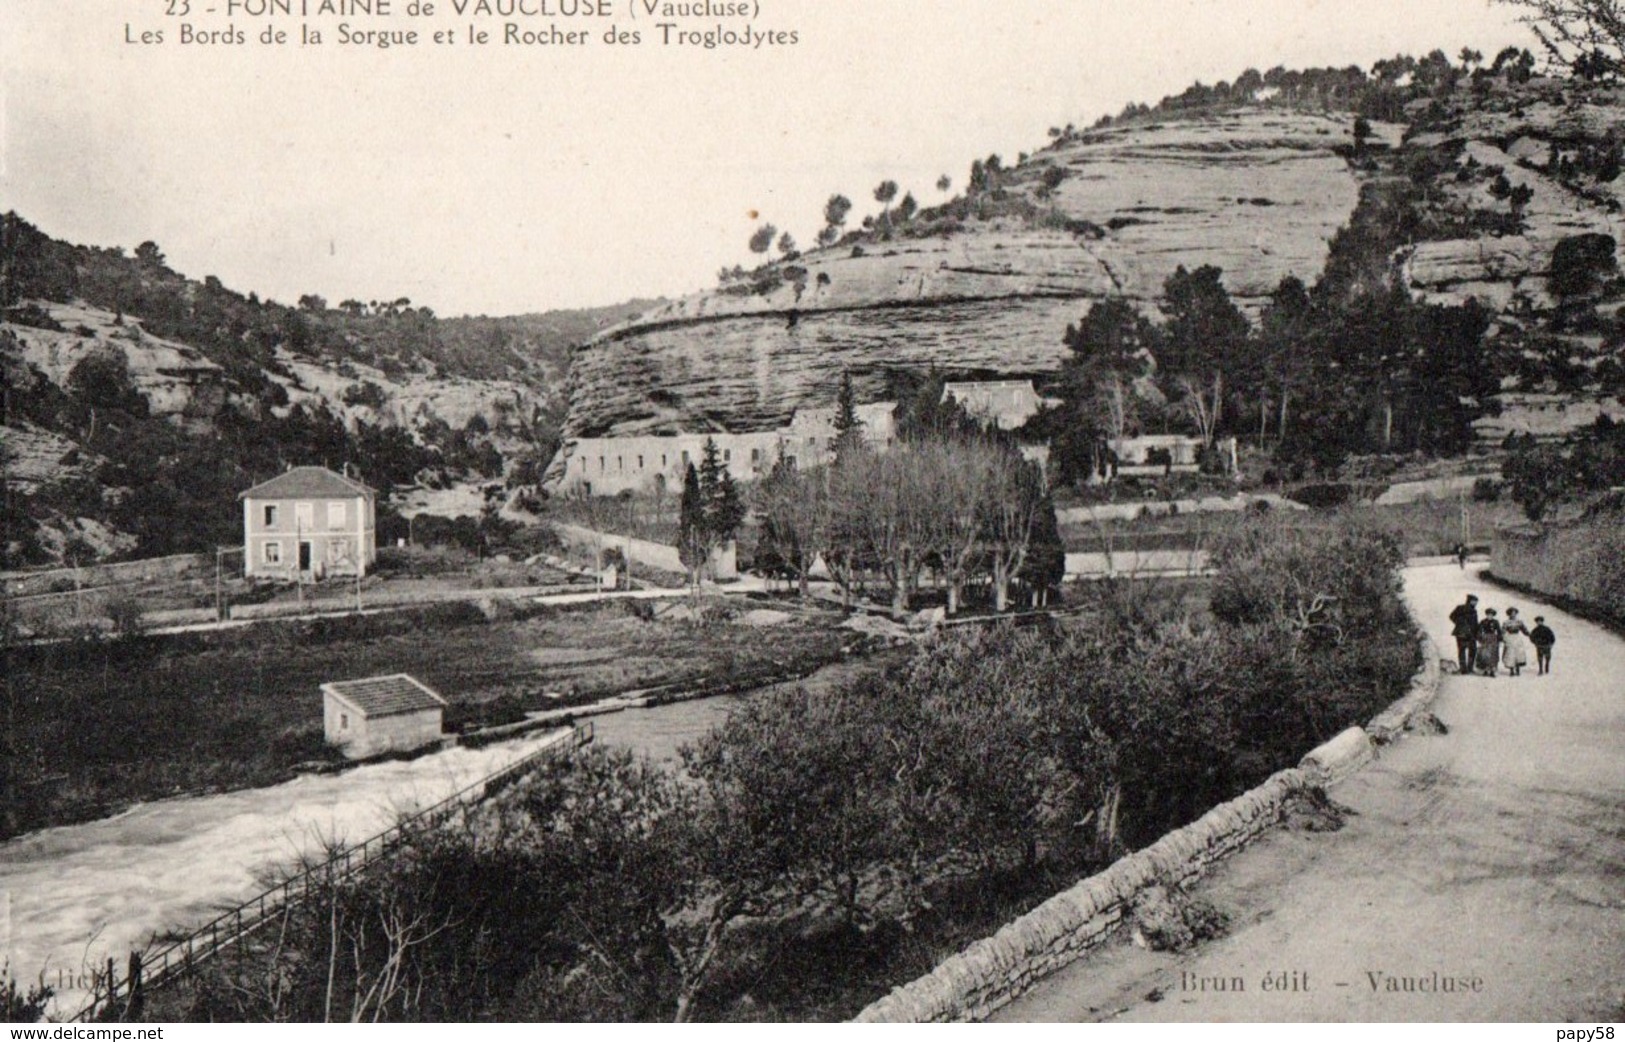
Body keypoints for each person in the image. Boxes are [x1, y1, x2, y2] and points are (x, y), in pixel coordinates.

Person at [1449, 594, 1480, 674]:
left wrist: (1458, 623)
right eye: (1474, 601)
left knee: (1464, 650)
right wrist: (1460, 624)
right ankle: (1467, 669)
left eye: (1476, 602)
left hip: (1465, 633)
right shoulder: (1463, 608)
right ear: (1470, 601)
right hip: (1465, 633)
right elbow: (1452, 616)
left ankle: (1465, 669)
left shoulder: (1469, 609)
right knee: (1468, 650)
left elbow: (1452, 616)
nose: (1475, 603)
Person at [1501, 607, 1530, 677]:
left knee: (1518, 653)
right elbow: (1503, 631)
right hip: (1510, 638)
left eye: (1514, 613)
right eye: (1511, 613)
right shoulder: (1506, 622)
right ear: (1509, 614)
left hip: (1517, 638)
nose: (1513, 615)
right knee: (1511, 654)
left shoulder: (1519, 622)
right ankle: (1511, 670)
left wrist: (1530, 634)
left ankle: (1518, 669)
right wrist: (1503, 638)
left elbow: (1524, 630)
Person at [1475, 608, 1502, 677]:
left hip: (1493, 638)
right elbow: (1479, 630)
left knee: (1493, 655)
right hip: (1485, 638)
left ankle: (1492, 670)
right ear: (1486, 614)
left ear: (1493, 615)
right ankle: (1486, 670)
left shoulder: (1496, 622)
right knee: (1485, 654)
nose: (1490, 616)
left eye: (1491, 615)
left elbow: (1499, 631)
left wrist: (1499, 640)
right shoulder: (1483, 621)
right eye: (1488, 614)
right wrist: (1479, 638)